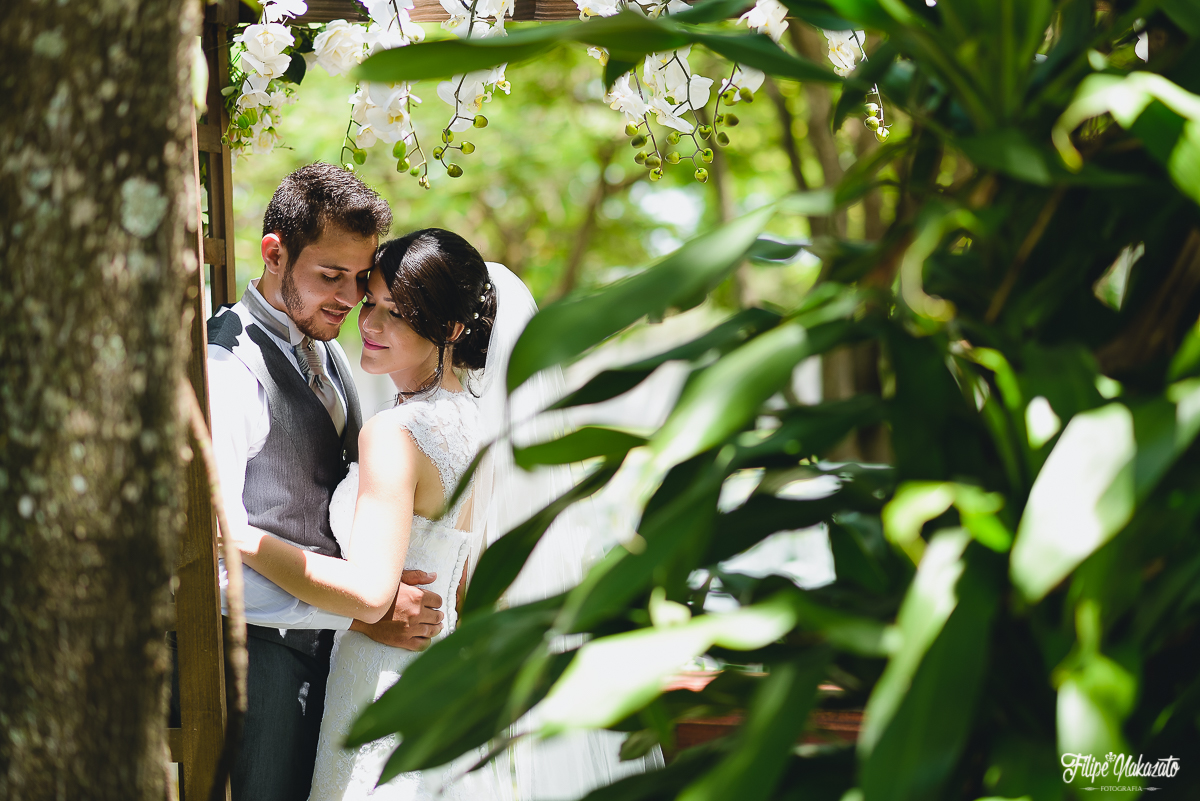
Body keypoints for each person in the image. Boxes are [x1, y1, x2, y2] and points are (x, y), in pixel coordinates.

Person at [206, 164, 446, 801]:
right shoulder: (227, 369)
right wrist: (357, 615)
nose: (347, 299)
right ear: (275, 253)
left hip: (326, 665)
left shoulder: (329, 350)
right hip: (258, 670)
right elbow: (211, 563)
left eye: (359, 280)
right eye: (329, 276)